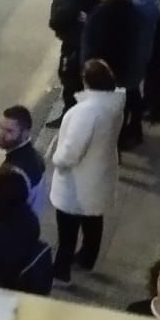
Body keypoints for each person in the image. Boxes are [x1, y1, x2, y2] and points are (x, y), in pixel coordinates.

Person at [49, 59, 125, 287]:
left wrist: (57, 159)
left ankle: (61, 273)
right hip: (99, 175)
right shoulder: (114, 105)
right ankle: (87, 258)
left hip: (78, 181)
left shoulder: (86, 112)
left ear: (86, 81)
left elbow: (72, 151)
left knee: (67, 231)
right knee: (93, 220)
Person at [48, 0, 96, 116]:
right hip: (76, 37)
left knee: (70, 77)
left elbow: (65, 11)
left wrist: (55, 24)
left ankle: (70, 114)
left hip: (74, 40)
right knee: (71, 78)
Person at [82, 0, 136, 118]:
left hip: (103, 74)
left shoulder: (102, 15)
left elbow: (94, 46)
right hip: (121, 69)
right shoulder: (128, 8)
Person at [122, 0, 160, 148]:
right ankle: (134, 126)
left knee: (131, 94)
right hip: (143, 52)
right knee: (133, 91)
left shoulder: (136, 7)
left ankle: (133, 130)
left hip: (133, 56)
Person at [0, 105, 46, 212]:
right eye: (0, 127)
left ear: (25, 133)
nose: (0, 134)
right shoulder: (35, 156)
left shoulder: (10, 173)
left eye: (9, 131)